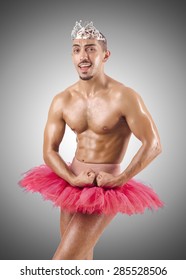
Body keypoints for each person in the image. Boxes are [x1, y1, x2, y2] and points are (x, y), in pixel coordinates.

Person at [19, 21, 163, 260]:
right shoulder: (62, 99)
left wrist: (120, 179)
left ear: (105, 55)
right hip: (72, 182)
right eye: (76, 49)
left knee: (63, 263)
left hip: (103, 186)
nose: (82, 56)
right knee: (81, 264)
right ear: (72, 55)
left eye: (90, 48)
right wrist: (71, 178)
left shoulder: (125, 96)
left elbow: (154, 144)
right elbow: (49, 151)